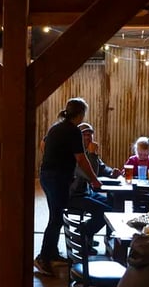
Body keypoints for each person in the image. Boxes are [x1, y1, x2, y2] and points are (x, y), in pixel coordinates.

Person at [35, 97, 102, 276]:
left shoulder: (56, 127)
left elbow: (43, 145)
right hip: (57, 179)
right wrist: (94, 180)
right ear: (80, 114)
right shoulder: (72, 131)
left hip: (47, 176)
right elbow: (81, 159)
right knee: (56, 218)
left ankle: (53, 254)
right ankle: (43, 258)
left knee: (55, 216)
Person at [67, 123, 121, 248]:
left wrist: (111, 172)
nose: (88, 138)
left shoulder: (87, 151)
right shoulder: (74, 154)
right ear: (78, 137)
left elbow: (101, 167)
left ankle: (96, 238)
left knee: (113, 203)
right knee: (105, 211)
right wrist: (92, 154)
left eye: (90, 134)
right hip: (73, 195)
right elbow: (90, 174)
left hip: (86, 192)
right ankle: (81, 235)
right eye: (85, 135)